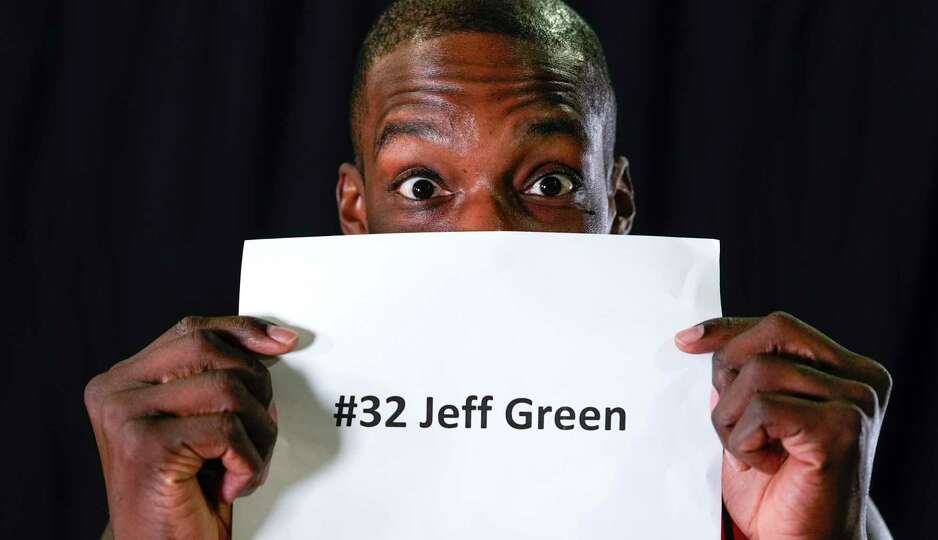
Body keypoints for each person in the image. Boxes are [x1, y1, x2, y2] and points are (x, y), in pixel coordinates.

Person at [83, 1, 894, 538]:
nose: (486, 234)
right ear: (354, 212)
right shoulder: (217, 486)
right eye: (423, 187)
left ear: (619, 206)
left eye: (550, 183)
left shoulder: (760, 481)